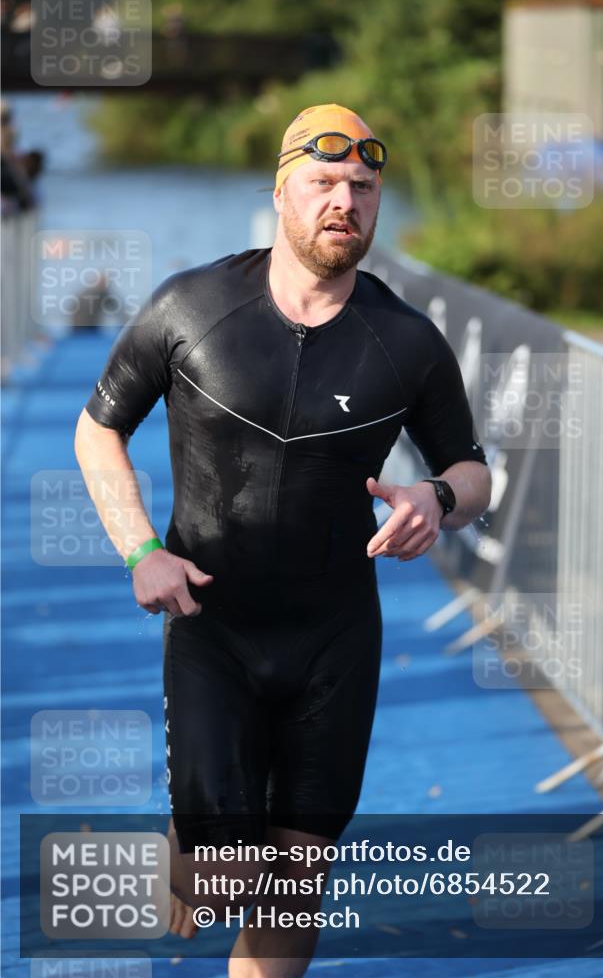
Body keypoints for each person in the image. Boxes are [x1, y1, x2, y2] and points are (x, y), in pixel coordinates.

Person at [74, 103, 491, 976]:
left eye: (363, 187)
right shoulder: (191, 305)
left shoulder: (406, 341)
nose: (345, 201)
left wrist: (437, 496)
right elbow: (97, 430)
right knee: (219, 884)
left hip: (333, 638)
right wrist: (140, 550)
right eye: (323, 182)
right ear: (279, 193)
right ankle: (196, 844)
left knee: (295, 884)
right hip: (213, 626)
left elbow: (472, 471)